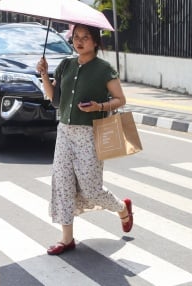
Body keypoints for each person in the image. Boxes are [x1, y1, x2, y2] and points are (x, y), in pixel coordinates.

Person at [36, 23, 133, 256]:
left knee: (91, 189)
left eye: (85, 37)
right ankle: (67, 239)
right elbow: (55, 100)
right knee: (62, 184)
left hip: (89, 134)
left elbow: (121, 99)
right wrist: (43, 75)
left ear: (96, 42)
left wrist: (99, 106)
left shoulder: (104, 69)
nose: (79, 41)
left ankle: (122, 208)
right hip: (64, 132)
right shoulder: (66, 65)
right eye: (76, 37)